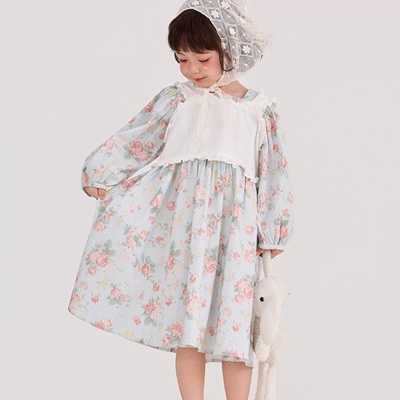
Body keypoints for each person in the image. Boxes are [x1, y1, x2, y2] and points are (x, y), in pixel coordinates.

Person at [68, 1, 294, 399]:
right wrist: (100, 172)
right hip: (185, 228)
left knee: (235, 326)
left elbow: (273, 173)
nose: (191, 70)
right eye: (182, 59)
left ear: (228, 50)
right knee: (187, 329)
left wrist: (272, 231)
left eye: (202, 59)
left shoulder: (258, 110)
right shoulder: (177, 100)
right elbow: (137, 138)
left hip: (234, 233)